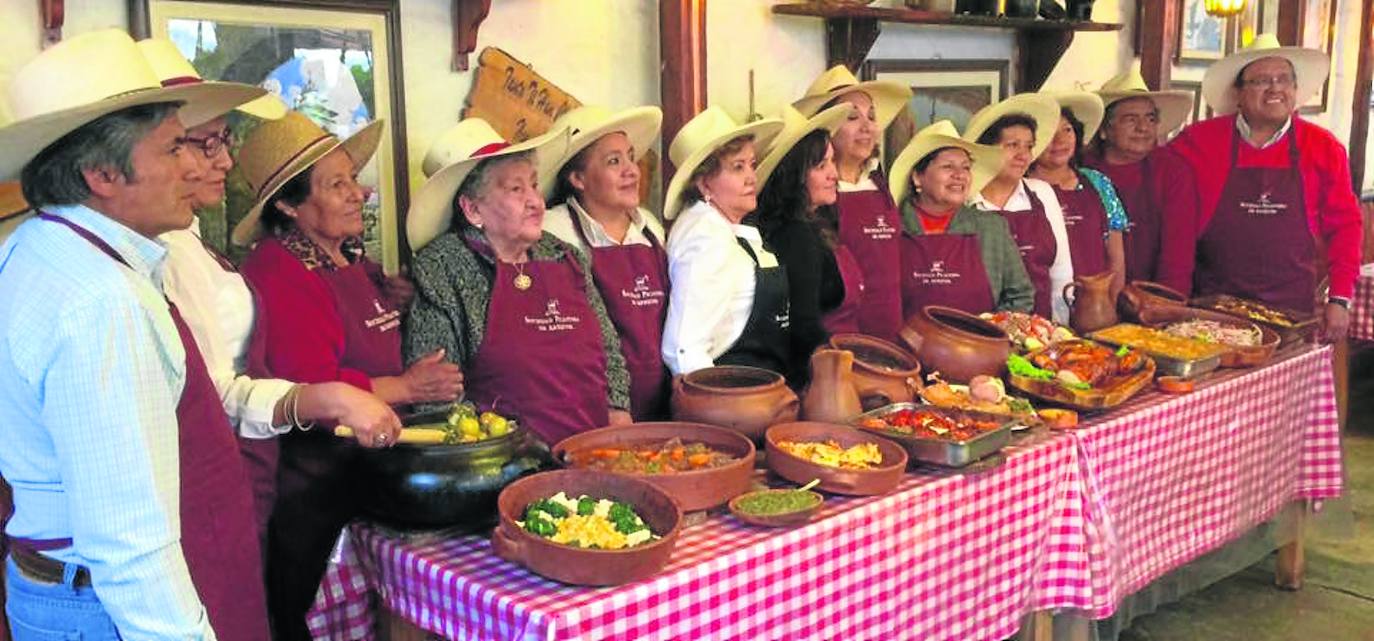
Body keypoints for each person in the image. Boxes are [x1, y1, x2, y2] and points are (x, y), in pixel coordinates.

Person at [0, 29, 268, 640]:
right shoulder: (102, 301)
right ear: (101, 173)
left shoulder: (36, 249)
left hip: (57, 590)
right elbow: (128, 544)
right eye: (175, 148)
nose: (194, 164)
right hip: (98, 608)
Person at [140, 38, 402, 538]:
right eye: (201, 143)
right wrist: (353, 397)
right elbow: (218, 393)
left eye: (224, 143)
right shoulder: (261, 267)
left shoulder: (353, 262)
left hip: (255, 460)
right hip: (258, 464)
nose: (220, 163)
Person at [235, 112, 463, 641]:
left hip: (371, 473)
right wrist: (408, 388)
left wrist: (395, 302)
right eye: (336, 184)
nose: (358, 192)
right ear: (289, 206)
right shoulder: (280, 272)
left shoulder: (348, 259)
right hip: (320, 496)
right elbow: (311, 387)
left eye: (352, 178)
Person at [405, 118, 634, 444]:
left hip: (594, 453)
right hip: (505, 468)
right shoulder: (442, 269)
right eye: (516, 189)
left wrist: (618, 415)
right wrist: (499, 456)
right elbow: (438, 398)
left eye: (534, 185)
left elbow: (608, 351)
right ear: (472, 209)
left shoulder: (564, 255)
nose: (536, 201)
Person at [1170, 34, 1363, 341]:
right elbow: (1162, 204)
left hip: (1292, 316)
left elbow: (1347, 227)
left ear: (1295, 90)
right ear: (1238, 93)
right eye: (1261, 80)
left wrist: (1339, 298)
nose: (1275, 88)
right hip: (1210, 311)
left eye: (1284, 79)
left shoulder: (1323, 147)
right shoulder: (1196, 142)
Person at [541, 105, 670, 420]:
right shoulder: (553, 231)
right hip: (594, 405)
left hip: (664, 398)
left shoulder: (651, 228)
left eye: (630, 156)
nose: (632, 170)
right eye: (614, 161)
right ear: (577, 178)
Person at [660, 106, 788, 375]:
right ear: (704, 185)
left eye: (751, 165)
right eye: (737, 167)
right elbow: (684, 346)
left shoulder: (725, 229)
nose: (751, 177)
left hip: (758, 382)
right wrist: (715, 400)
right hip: (732, 391)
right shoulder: (705, 237)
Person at [793, 66, 913, 341]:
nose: (867, 126)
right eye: (851, 117)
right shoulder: (816, 193)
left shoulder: (881, 184)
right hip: (842, 339)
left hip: (890, 331)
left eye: (871, 116)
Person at [754, 104, 858, 381]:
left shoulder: (809, 224)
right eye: (821, 166)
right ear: (794, 175)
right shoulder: (796, 235)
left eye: (832, 162)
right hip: (812, 377)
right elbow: (803, 325)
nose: (833, 174)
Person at [890, 120, 1034, 315]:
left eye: (965, 167)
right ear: (917, 177)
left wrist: (989, 332)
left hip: (977, 342)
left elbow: (1021, 295)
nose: (959, 175)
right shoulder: (891, 228)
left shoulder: (992, 227)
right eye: (948, 166)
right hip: (906, 345)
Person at [1083, 68, 1198, 292]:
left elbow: (1178, 251)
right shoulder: (1082, 169)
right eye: (1130, 119)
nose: (1143, 128)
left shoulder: (1172, 171)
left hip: (1154, 298)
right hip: (1092, 297)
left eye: (1150, 119)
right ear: (1104, 130)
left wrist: (1165, 303)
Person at [965, 94, 1075, 323]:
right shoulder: (967, 201)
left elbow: (1061, 274)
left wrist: (1059, 331)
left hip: (1040, 330)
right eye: (1012, 145)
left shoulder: (1042, 193)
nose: (1023, 155)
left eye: (1029, 146)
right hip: (981, 333)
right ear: (986, 150)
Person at [1028, 91, 1129, 298]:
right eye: (1049, 133)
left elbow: (1116, 256)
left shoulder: (1097, 182)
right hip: (1040, 306)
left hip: (1095, 304)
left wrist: (1112, 302)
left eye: (1067, 129)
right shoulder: (1021, 188)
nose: (1060, 140)